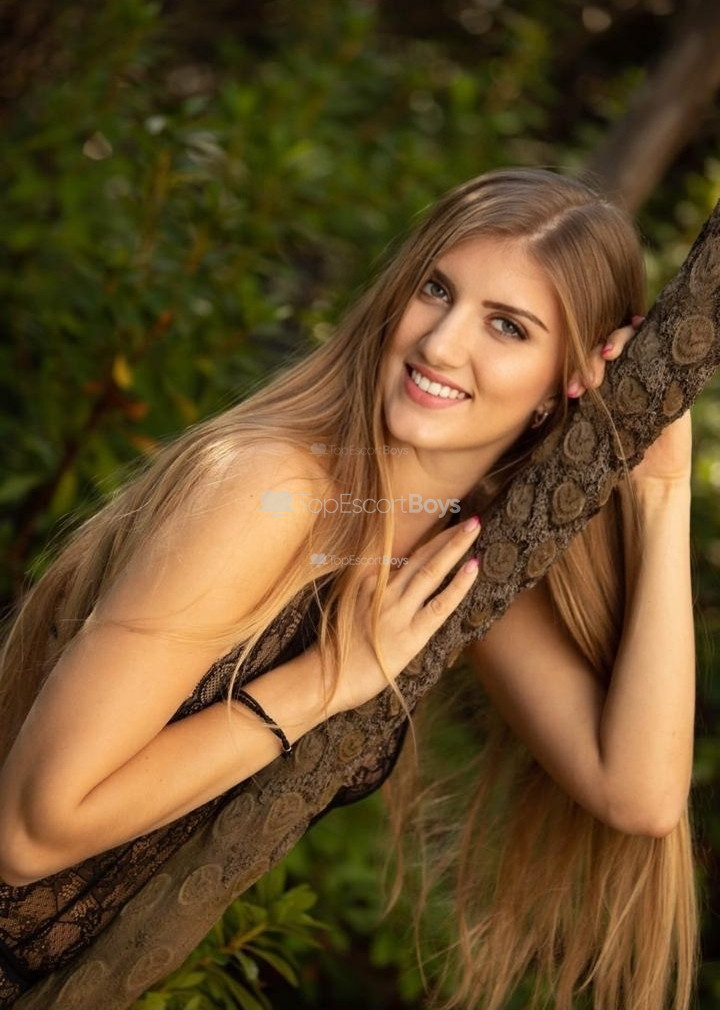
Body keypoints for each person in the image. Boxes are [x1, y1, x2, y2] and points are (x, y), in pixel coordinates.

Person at [0, 168, 696, 1010]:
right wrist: (330, 678)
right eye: (436, 290)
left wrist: (662, 493)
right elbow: (30, 832)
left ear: (570, 378)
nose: (441, 344)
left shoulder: (452, 552)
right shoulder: (273, 490)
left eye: (507, 326)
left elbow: (638, 792)